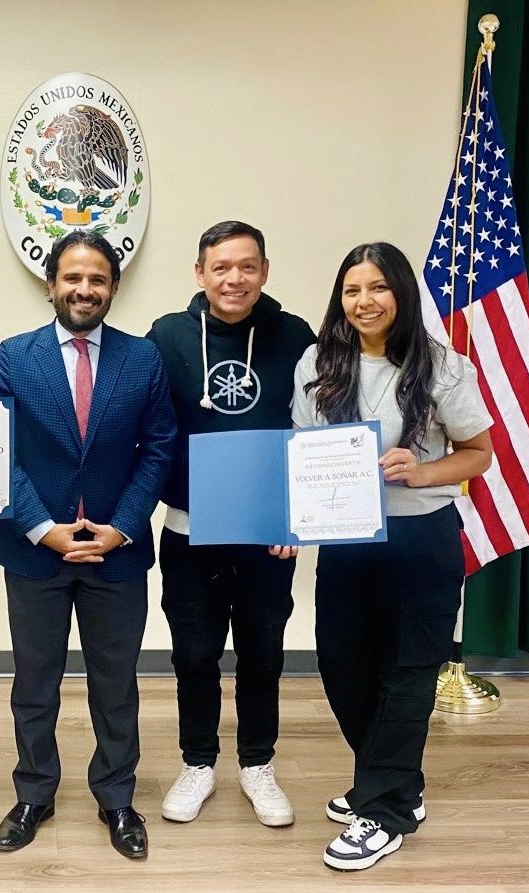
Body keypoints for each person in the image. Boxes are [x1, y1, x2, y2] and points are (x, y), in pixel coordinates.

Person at [292, 242, 492, 871]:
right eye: (353, 290)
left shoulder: (441, 366)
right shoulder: (316, 364)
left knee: (407, 672)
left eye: (378, 288)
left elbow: (479, 454)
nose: (364, 301)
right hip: (346, 542)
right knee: (344, 666)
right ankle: (395, 782)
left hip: (421, 541)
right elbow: (301, 456)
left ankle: (383, 810)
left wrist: (425, 469)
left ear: (401, 293)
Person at [0, 230, 176, 859]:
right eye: (73, 278)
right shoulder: (13, 358)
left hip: (117, 553)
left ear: (113, 288)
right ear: (51, 285)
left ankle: (117, 798)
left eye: (97, 279)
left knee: (115, 683)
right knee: (34, 682)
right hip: (35, 550)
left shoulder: (142, 359)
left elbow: (159, 451)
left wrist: (121, 526)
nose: (84, 289)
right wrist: (43, 527)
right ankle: (35, 791)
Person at [146, 221, 315, 827]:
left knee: (264, 651)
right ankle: (198, 762)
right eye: (221, 267)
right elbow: (142, 426)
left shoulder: (296, 337)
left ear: (264, 271)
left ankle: (257, 763)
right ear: (200, 273)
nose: (234, 278)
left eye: (247, 266)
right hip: (189, 530)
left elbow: (316, 434)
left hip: (268, 536)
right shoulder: (167, 336)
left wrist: (300, 516)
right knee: (193, 653)